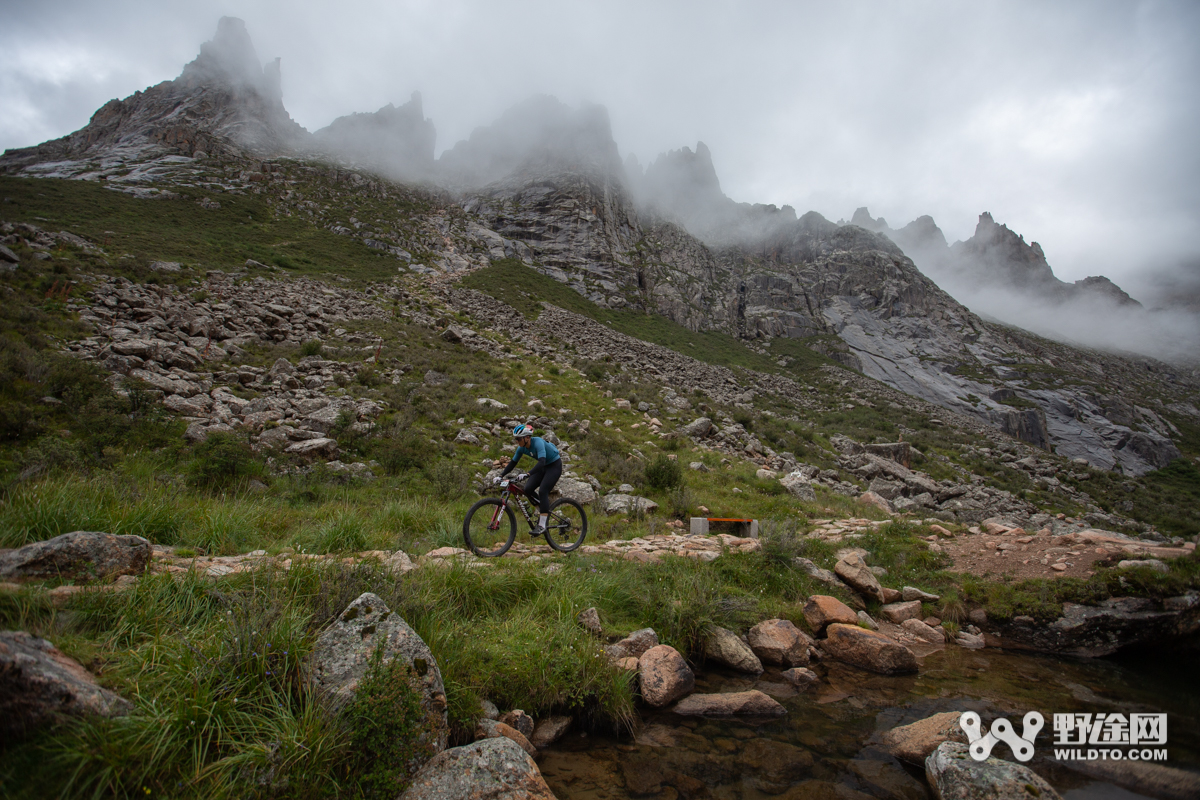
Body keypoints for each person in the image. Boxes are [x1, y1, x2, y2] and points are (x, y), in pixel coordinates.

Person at [496, 423, 561, 536]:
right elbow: (513, 463)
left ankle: (542, 525)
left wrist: (527, 474)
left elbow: (541, 462)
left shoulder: (538, 443)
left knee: (543, 491)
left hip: (554, 465)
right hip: (544, 466)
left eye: (518, 439)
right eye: (515, 439)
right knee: (528, 489)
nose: (517, 441)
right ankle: (542, 510)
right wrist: (501, 475)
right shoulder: (521, 448)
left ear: (527, 437)